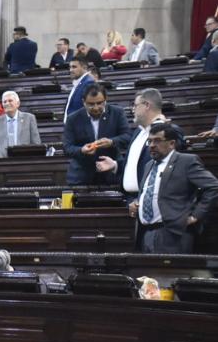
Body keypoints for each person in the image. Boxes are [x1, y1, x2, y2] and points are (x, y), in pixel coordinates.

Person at [129, 123, 218, 254]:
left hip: (173, 233)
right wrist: (137, 203)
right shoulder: (148, 165)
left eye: (157, 141)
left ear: (171, 143)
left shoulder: (186, 161)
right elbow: (150, 192)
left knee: (171, 274)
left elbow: (213, 186)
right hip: (146, 232)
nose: (152, 145)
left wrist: (196, 215)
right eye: (150, 141)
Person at [97, 89, 181, 195]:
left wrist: (162, 125)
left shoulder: (169, 130)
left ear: (146, 105)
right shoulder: (138, 132)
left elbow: (179, 142)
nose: (133, 110)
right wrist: (115, 165)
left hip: (155, 198)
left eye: (135, 105)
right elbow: (137, 164)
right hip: (131, 199)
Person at [62, 83, 131, 185]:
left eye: (100, 103)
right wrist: (81, 150)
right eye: (91, 104)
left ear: (105, 99)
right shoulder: (73, 119)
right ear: (83, 102)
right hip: (81, 176)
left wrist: (112, 142)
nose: (96, 107)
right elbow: (67, 148)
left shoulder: (117, 113)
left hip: (111, 175)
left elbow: (128, 137)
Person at [0, 91, 41, 157]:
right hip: (3, 161)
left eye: (10, 101)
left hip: (24, 159)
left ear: (18, 103)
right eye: (4, 102)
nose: (7, 103)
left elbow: (36, 142)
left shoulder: (29, 118)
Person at [63, 55, 95, 122]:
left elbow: (88, 110)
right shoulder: (80, 83)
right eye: (70, 67)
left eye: (74, 67)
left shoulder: (88, 83)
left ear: (84, 67)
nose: (70, 70)